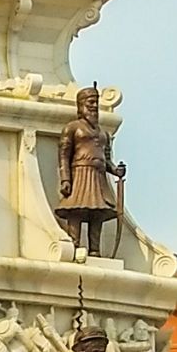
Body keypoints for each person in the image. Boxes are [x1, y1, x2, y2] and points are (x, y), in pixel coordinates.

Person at [54, 85, 125, 257]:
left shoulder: (103, 134)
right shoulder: (72, 128)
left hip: (98, 175)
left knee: (98, 211)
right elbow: (64, 155)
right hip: (80, 172)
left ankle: (95, 249)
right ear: (81, 105)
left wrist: (116, 170)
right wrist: (66, 179)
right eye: (90, 102)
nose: (94, 106)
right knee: (76, 209)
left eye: (96, 103)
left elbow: (106, 159)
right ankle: (74, 244)